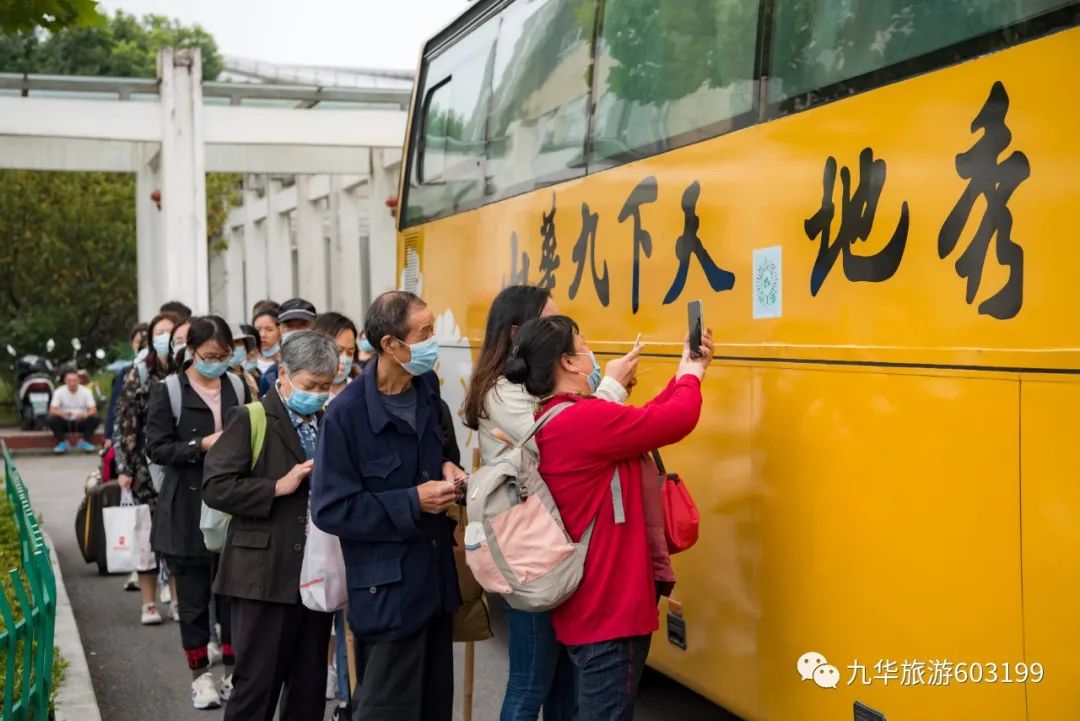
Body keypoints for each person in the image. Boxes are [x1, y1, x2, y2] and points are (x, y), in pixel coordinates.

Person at [501, 315, 712, 720]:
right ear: (569, 362)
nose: (591, 354)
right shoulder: (582, 420)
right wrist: (693, 374)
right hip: (609, 611)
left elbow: (644, 421)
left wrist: (685, 371)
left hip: (589, 607)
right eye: (583, 345)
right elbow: (676, 419)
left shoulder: (559, 416)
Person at [463, 285, 639, 721]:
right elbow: (561, 434)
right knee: (530, 683)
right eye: (550, 323)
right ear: (518, 332)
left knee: (565, 682)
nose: (561, 332)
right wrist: (610, 388)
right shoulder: (502, 392)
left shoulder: (531, 385)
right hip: (532, 550)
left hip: (559, 537)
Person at [311, 290, 463, 721]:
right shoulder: (346, 415)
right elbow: (331, 509)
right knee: (386, 711)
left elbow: (443, 454)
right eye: (425, 333)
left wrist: (451, 469)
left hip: (436, 584)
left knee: (435, 709)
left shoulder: (427, 389)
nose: (434, 341)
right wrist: (412, 501)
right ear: (390, 345)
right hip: (388, 597)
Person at [203, 331, 339, 721]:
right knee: (256, 687)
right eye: (310, 385)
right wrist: (276, 487)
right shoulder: (251, 418)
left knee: (308, 688)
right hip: (262, 576)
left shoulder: (328, 421)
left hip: (314, 574)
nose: (318, 394)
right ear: (283, 374)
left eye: (325, 386)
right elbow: (216, 486)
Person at [146, 316, 249, 710]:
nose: (217, 362)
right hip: (185, 509)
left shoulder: (237, 385)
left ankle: (233, 674)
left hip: (230, 504)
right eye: (209, 355)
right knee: (192, 600)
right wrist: (201, 445)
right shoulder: (169, 391)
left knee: (232, 595)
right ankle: (200, 676)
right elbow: (157, 448)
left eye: (224, 355)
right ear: (190, 351)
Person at [259, 298, 318, 396]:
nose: (296, 331)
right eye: (290, 326)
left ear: (315, 327)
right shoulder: (271, 376)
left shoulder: (330, 367)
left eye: (303, 325)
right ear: (281, 329)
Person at [47, 369, 100, 453]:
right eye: (69, 380)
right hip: (65, 421)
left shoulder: (86, 391)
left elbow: (93, 409)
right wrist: (62, 413)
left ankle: (85, 441)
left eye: (74, 380)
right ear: (65, 381)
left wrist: (85, 415)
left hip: (81, 421)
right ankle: (62, 442)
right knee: (51, 419)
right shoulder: (59, 391)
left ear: (79, 381)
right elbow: (52, 410)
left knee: (96, 417)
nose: (72, 383)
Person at [312, 312, 358, 401]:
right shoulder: (304, 392)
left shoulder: (360, 390)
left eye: (350, 353)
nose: (344, 359)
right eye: (338, 351)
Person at [227, 323, 260, 400]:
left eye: (238, 342)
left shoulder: (249, 377)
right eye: (230, 343)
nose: (234, 347)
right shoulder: (220, 378)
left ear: (245, 346)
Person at [253, 304, 282, 376]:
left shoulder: (287, 362)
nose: (262, 335)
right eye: (258, 330)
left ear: (280, 331)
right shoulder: (247, 363)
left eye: (269, 330)